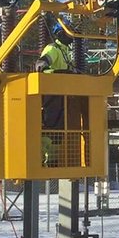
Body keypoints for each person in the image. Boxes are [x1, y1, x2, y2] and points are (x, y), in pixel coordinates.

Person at [37, 16, 75, 165]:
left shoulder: (65, 51)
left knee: (59, 129)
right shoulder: (53, 48)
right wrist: (44, 63)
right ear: (60, 33)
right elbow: (45, 62)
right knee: (50, 125)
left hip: (61, 94)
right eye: (68, 32)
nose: (71, 35)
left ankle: (52, 160)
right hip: (51, 93)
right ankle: (40, 157)